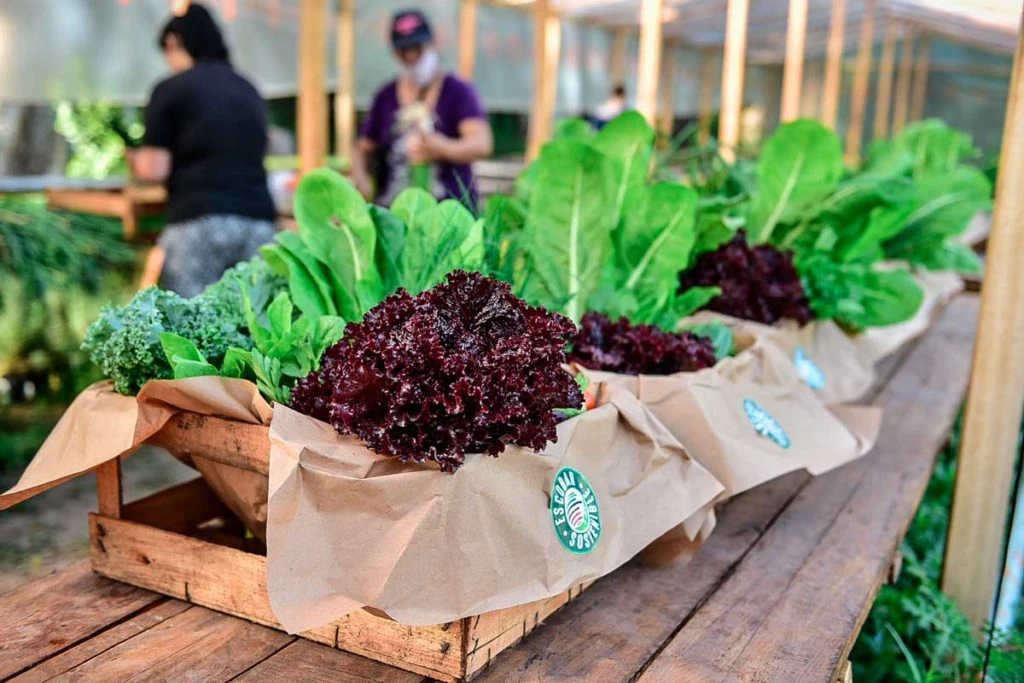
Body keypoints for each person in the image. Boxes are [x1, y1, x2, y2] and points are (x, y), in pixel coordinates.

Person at [130, 3, 276, 297]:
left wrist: (134, 161)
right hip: (258, 222)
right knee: (254, 326)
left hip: (197, 222)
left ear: (174, 42)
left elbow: (154, 168)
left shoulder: (171, 89)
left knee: (193, 327)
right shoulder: (248, 88)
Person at [350, 9, 493, 210]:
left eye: (417, 48)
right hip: (394, 210)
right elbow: (363, 147)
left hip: (450, 210)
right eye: (404, 51)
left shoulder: (458, 91)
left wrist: (441, 147)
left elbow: (482, 144)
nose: (411, 56)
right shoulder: (385, 96)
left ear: (432, 43)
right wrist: (361, 178)